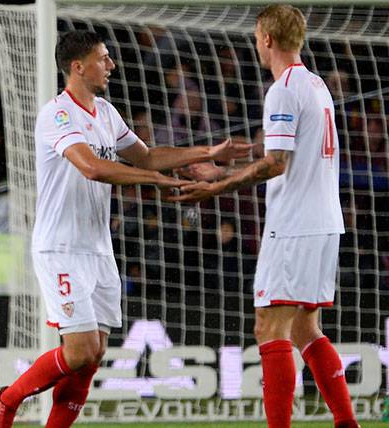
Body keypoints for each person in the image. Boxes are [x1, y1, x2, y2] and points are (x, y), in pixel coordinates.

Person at [0, 30, 251, 428]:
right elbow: (92, 167)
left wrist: (207, 152)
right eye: (103, 58)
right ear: (78, 67)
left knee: (93, 357)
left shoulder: (106, 112)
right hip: (61, 247)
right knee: (79, 351)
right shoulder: (57, 114)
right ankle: (5, 401)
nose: (111, 65)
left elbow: (146, 156)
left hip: (99, 250)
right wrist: (157, 182)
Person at [171, 5, 359, 428]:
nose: (256, 44)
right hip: (325, 222)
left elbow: (276, 163)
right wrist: (221, 169)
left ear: (268, 39)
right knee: (305, 329)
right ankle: (347, 422)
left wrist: (215, 188)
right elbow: (285, 152)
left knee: (268, 329)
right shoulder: (315, 84)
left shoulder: (283, 89)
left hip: (294, 225)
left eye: (257, 37)